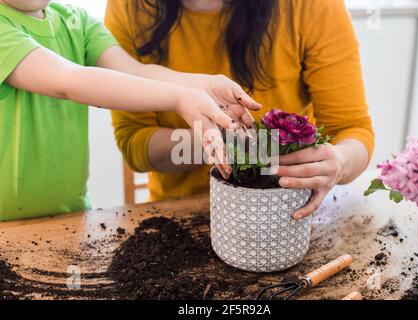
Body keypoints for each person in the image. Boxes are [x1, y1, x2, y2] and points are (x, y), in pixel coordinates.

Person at [105, 0, 375, 220]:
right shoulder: (129, 8)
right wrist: (230, 145)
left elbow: (353, 130)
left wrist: (338, 162)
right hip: (181, 216)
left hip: (287, 213)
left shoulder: (313, 7)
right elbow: (135, 144)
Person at [0, 0, 260, 221]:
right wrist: (181, 97)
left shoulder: (75, 21)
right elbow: (69, 80)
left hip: (71, 216)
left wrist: (205, 84)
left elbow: (134, 72)